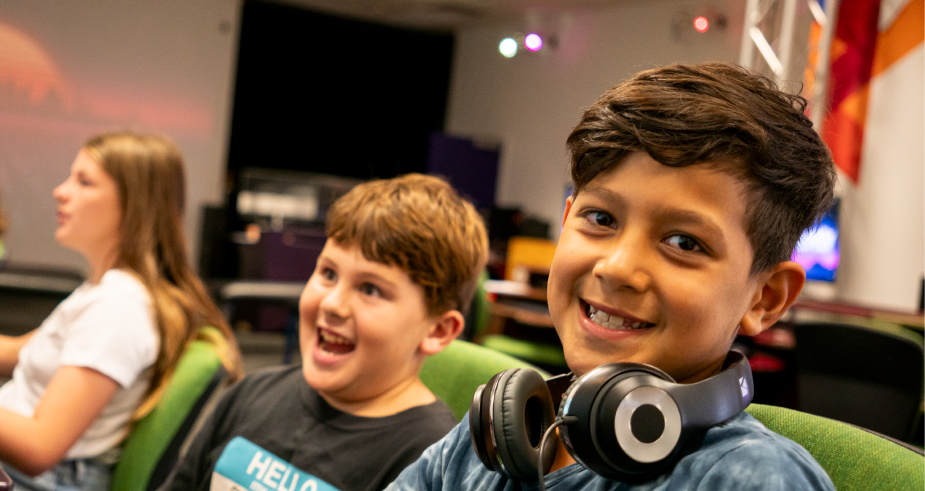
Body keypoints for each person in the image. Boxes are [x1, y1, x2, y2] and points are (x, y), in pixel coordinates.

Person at [385, 62, 838, 490]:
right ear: (565, 223)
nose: (617, 267)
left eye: (683, 243)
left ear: (765, 298)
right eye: (600, 218)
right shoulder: (494, 438)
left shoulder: (751, 478)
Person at [159, 173, 489, 491]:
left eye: (370, 289)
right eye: (328, 273)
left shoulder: (433, 464)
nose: (332, 304)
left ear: (438, 330)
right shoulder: (251, 393)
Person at [0, 131, 243, 490]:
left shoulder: (119, 307)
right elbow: (20, 352)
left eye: (84, 182)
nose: (61, 191)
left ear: (133, 207)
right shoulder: (104, 291)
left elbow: (39, 448)